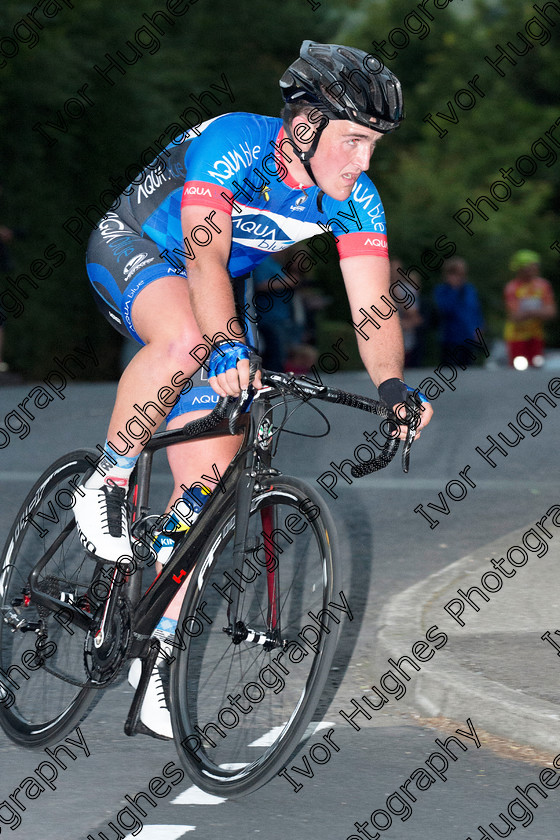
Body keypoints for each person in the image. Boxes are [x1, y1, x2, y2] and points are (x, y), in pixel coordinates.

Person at [73, 40, 433, 737]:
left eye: (374, 145)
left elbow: (372, 307)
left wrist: (392, 387)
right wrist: (227, 342)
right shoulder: (235, 145)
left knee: (208, 483)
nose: (365, 161)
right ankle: (108, 478)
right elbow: (204, 255)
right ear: (304, 126)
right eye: (355, 140)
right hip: (138, 250)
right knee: (189, 342)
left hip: (209, 288)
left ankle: (156, 653)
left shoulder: (355, 198)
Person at [503, 250, 557, 368]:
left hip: (536, 335)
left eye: (536, 266)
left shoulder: (543, 286)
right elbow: (515, 316)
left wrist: (528, 313)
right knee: (519, 367)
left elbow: (551, 312)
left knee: (537, 366)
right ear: (521, 268)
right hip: (516, 336)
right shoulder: (512, 287)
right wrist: (538, 312)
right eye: (531, 266)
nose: (535, 269)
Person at [433, 257, 483, 363]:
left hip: (468, 338)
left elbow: (476, 311)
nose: (460, 277)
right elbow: (445, 310)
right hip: (450, 339)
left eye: (462, 274)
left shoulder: (470, 290)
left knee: (468, 372)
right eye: (456, 274)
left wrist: (479, 329)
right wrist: (454, 290)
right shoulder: (442, 291)